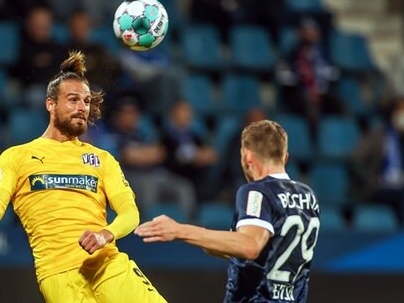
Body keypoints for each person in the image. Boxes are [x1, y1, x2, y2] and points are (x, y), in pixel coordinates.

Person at [0, 51, 167, 303]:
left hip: (107, 264)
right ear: (51, 104)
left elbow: (130, 213)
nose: (82, 107)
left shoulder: (103, 159)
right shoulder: (16, 157)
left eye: (86, 101)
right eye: (73, 100)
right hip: (59, 276)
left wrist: (105, 234)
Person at [136, 120, 321, 302]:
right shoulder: (308, 196)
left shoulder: (257, 191)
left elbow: (249, 246)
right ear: (285, 157)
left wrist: (180, 230)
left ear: (247, 156)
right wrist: (210, 243)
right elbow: (267, 252)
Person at [109, 98, 197, 219]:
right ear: (118, 116)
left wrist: (139, 154)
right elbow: (128, 157)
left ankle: (186, 225)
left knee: (183, 187)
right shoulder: (112, 137)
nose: (132, 116)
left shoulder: (142, 134)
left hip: (156, 174)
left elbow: (160, 153)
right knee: (148, 186)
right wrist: (144, 154)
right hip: (130, 176)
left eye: (134, 113)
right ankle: (146, 228)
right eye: (127, 113)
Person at [350, 98, 404, 225]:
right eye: (402, 113)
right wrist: (371, 180)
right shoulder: (377, 136)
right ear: (393, 114)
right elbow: (356, 159)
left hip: (400, 185)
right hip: (377, 187)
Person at [161, 101, 218, 203]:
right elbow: (171, 159)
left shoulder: (194, 136)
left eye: (187, 112)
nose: (185, 115)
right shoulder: (166, 137)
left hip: (195, 175)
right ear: (174, 115)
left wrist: (202, 156)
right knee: (185, 189)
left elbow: (210, 155)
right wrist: (194, 156)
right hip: (174, 177)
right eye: (182, 111)